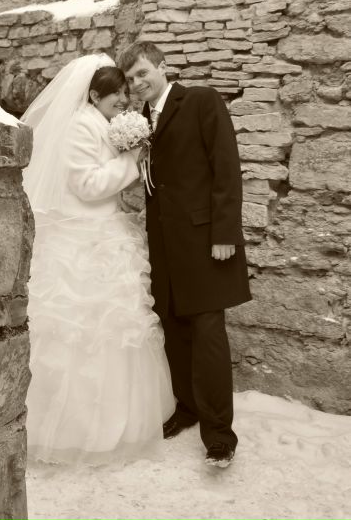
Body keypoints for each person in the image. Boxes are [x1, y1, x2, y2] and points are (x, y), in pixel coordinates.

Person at [21, 53, 175, 466]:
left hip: (104, 234)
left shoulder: (103, 123)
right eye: (116, 95)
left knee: (117, 333)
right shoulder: (79, 126)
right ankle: (75, 429)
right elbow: (87, 185)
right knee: (81, 335)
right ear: (93, 96)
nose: (124, 100)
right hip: (82, 242)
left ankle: (117, 421)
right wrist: (129, 161)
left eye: (125, 93)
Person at [118, 41, 252, 468]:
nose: (137, 83)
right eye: (131, 79)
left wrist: (225, 233)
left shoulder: (200, 100)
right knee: (174, 329)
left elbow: (225, 167)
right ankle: (188, 408)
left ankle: (220, 437)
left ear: (163, 66)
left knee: (208, 334)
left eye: (143, 73)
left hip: (205, 240)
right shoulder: (139, 122)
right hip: (162, 243)